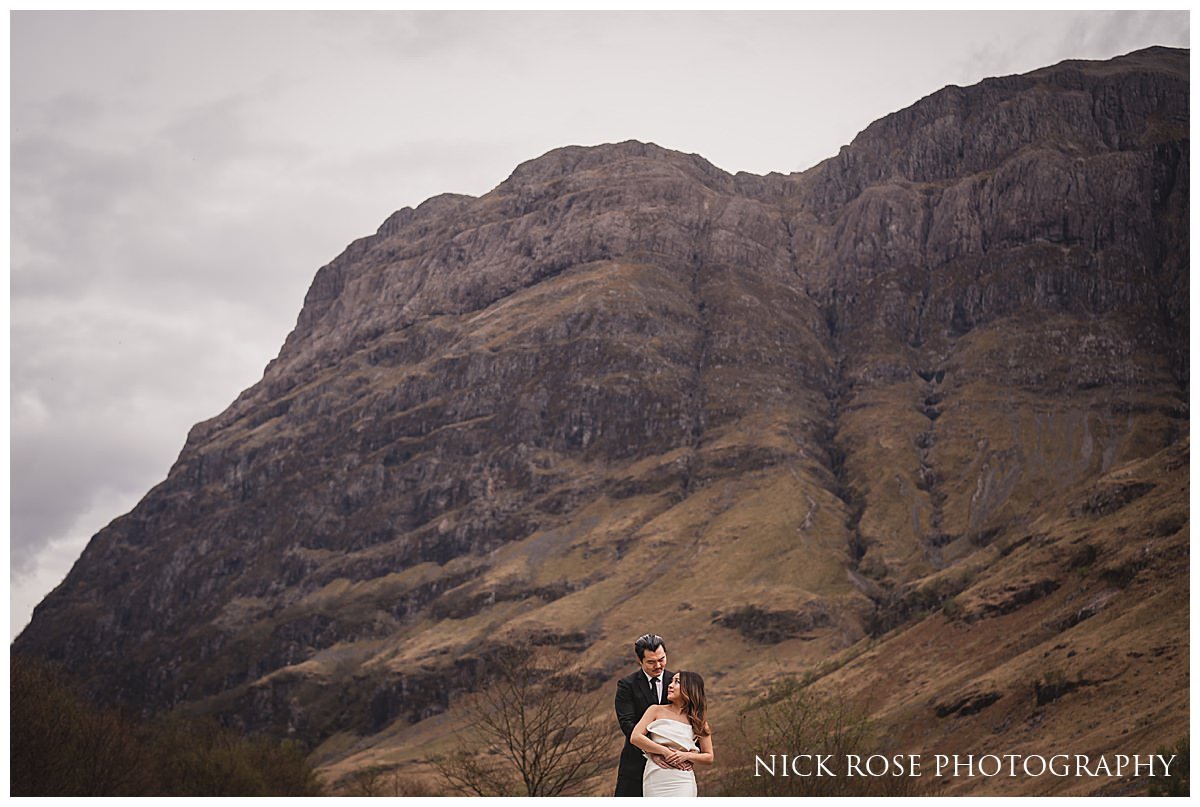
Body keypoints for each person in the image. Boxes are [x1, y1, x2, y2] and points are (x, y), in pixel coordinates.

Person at [614, 633, 688, 796]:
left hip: (673, 766)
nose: (658, 666)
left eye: (661, 659)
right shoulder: (627, 685)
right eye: (651, 662)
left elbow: (690, 717)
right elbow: (627, 724)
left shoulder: (677, 682)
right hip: (635, 763)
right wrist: (652, 751)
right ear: (640, 661)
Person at [630, 671, 714, 797]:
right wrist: (665, 752)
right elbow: (635, 737)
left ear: (689, 688)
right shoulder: (655, 710)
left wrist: (685, 756)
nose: (670, 685)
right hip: (656, 774)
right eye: (671, 681)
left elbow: (709, 757)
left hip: (682, 778)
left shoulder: (698, 720)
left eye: (677, 682)